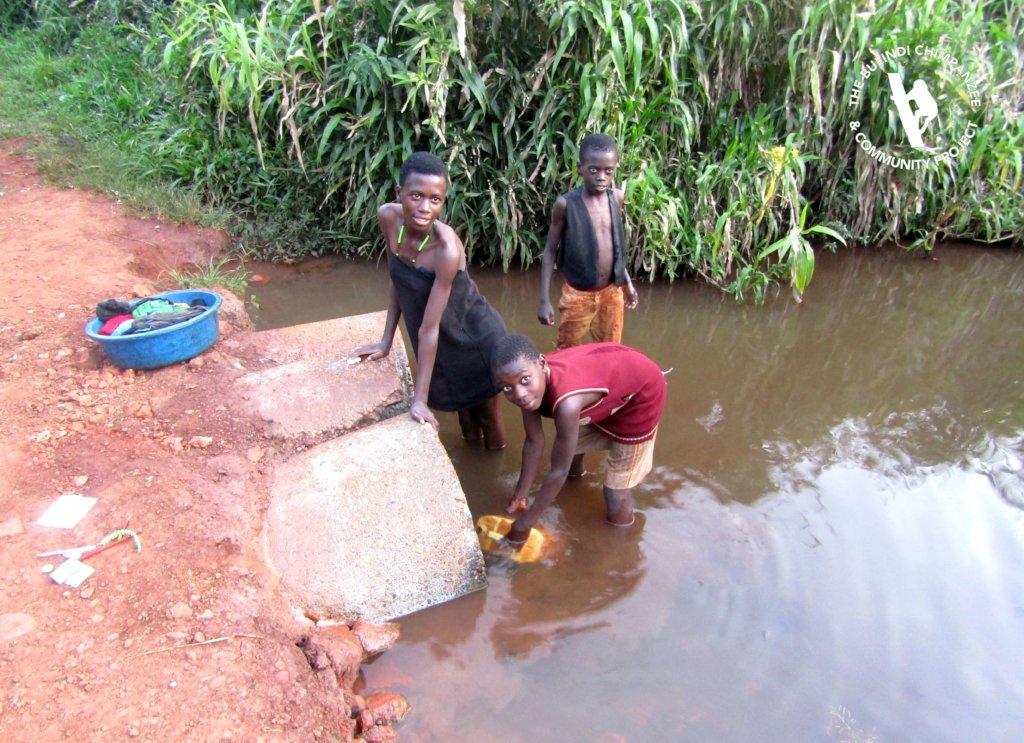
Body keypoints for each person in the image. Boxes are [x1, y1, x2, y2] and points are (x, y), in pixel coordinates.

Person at [349, 151, 507, 449]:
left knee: (488, 418)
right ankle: (476, 473)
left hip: (477, 338)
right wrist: (385, 342)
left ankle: (498, 479)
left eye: (435, 200)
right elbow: (398, 279)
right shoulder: (388, 218)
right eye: (416, 196)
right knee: (466, 423)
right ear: (399, 193)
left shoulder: (445, 249)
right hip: (445, 341)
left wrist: (420, 401)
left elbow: (427, 329)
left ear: (444, 201)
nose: (425, 207)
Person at [491, 333, 667, 544]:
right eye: (507, 388)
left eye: (524, 381)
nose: (519, 394)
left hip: (642, 395)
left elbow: (558, 472)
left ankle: (620, 544)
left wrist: (524, 525)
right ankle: (576, 482)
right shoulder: (527, 380)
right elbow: (533, 441)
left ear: (542, 363)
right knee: (569, 448)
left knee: (615, 491)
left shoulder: (568, 405)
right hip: (612, 383)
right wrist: (520, 496)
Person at [537, 133, 639, 349]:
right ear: (580, 168)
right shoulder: (566, 205)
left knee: (610, 350)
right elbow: (549, 251)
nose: (601, 176)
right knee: (568, 351)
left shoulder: (616, 198)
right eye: (594, 170)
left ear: (614, 170)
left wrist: (627, 283)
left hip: (612, 292)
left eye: (608, 171)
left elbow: (616, 246)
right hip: (577, 295)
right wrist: (544, 299)